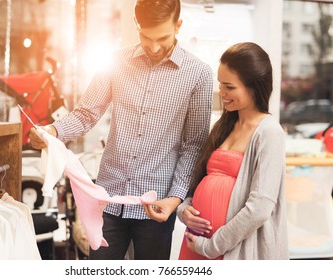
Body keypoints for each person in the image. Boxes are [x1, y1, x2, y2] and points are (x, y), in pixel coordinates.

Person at [29, 0, 213, 260]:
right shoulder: (116, 61)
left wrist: (175, 198)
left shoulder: (199, 74)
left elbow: (193, 144)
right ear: (137, 25)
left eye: (162, 37)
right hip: (109, 195)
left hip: (157, 203)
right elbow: (86, 113)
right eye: (146, 36)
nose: (154, 47)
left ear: (178, 25)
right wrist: (52, 131)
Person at [175, 42, 289, 260]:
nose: (222, 92)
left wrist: (211, 246)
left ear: (254, 86)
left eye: (229, 87)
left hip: (224, 249)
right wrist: (185, 210)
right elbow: (197, 180)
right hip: (196, 243)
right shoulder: (223, 126)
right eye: (220, 84)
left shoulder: (269, 133)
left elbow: (259, 208)